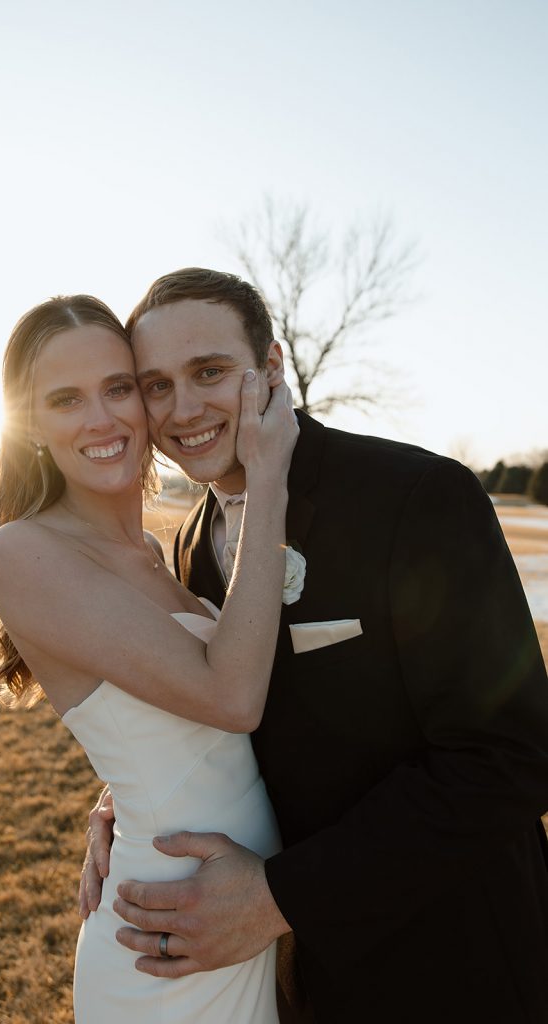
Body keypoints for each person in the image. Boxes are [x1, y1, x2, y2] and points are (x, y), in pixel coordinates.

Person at [82, 268, 548, 1024]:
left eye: (209, 372)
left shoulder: (414, 496)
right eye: (157, 385)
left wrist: (278, 898)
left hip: (452, 959)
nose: (182, 409)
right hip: (301, 981)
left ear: (269, 366)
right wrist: (128, 802)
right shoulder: (192, 542)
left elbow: (510, 756)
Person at [0, 293, 300, 1024]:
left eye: (118, 388)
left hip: (230, 917)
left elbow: (169, 725)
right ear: (29, 425)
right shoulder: (23, 551)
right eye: (65, 399)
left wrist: (119, 794)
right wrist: (267, 477)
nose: (102, 418)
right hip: (162, 943)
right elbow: (231, 698)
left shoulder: (160, 549)